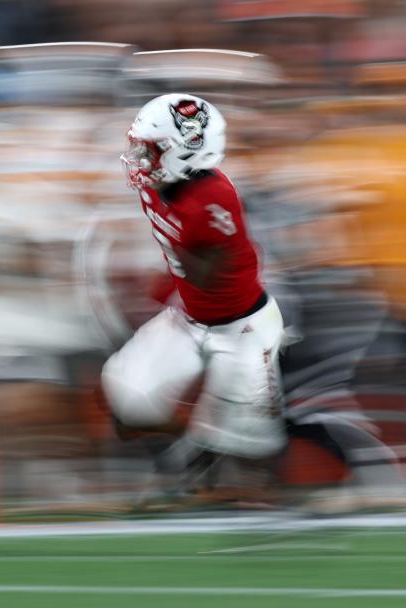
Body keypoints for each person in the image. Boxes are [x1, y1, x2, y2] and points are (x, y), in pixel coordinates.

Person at [101, 94, 286, 475]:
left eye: (150, 150)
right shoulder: (160, 183)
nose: (138, 159)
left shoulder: (211, 200)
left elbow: (206, 275)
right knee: (128, 397)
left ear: (186, 152)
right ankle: (188, 466)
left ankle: (233, 480)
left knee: (251, 447)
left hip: (243, 327)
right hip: (190, 317)